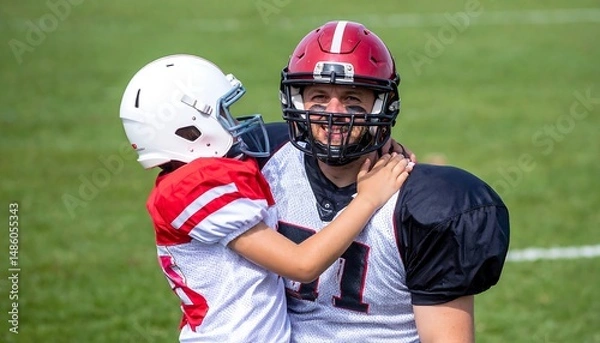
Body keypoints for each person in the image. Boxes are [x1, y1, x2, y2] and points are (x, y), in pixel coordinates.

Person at [118, 54, 413, 342]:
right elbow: (302, 265)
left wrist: (368, 139)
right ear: (189, 129)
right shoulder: (194, 188)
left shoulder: (198, 175)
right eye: (223, 113)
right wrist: (367, 199)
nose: (234, 123)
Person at [260, 20, 511, 342]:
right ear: (296, 101)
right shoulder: (261, 158)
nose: (333, 113)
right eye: (319, 97)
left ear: (382, 106)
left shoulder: (431, 204)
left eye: (352, 100)